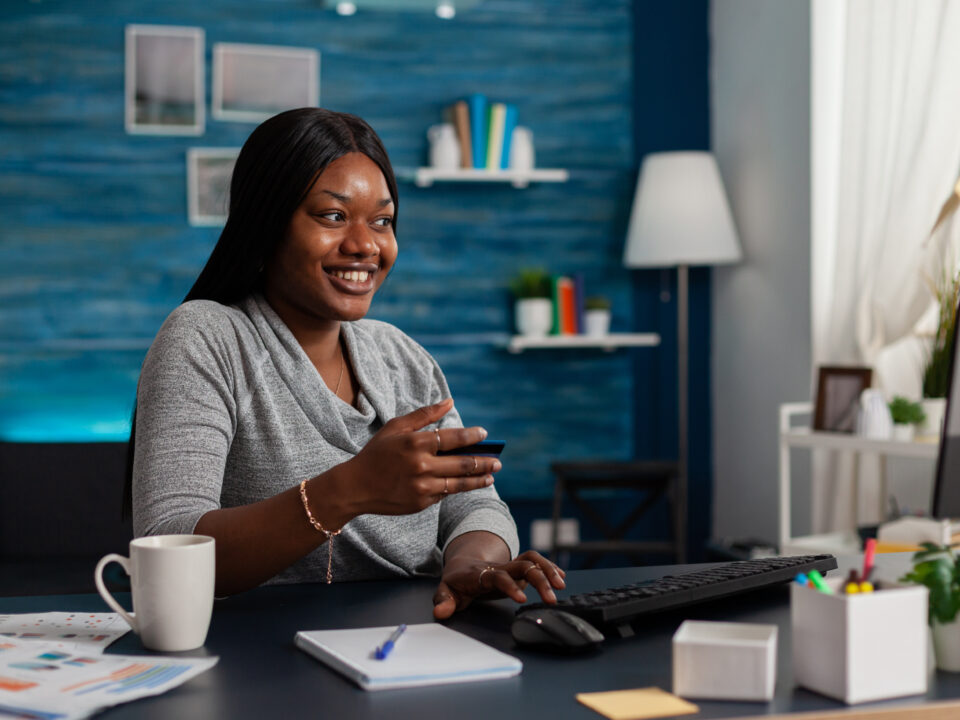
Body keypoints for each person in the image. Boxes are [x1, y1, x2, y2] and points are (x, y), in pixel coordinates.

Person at [128, 107, 564, 619]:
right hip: (257, 658)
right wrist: (351, 489)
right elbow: (169, 541)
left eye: (382, 221)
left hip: (414, 644)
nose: (365, 246)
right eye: (333, 216)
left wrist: (471, 565)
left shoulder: (404, 358)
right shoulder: (208, 337)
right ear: (266, 225)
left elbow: (474, 503)